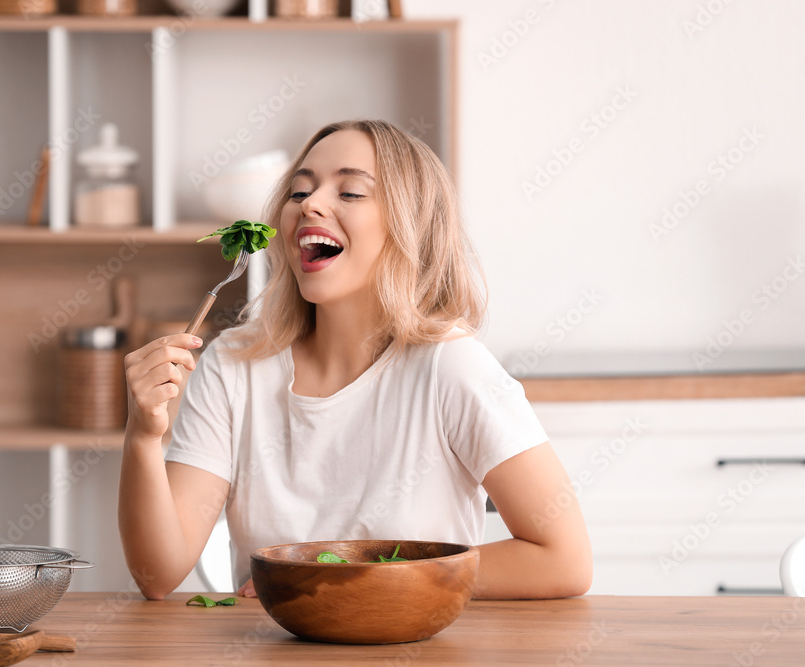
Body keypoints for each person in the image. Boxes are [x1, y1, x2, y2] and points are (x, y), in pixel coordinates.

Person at [118, 119, 591, 601]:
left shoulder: (452, 367)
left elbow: (563, 558)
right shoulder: (234, 366)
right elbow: (159, 575)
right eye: (299, 191)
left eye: (350, 193)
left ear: (409, 226)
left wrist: (345, 582)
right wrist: (142, 435)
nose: (310, 204)